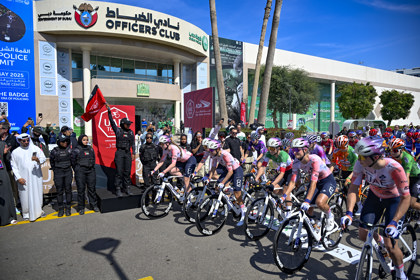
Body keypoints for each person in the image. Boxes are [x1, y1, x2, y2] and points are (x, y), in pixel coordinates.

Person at [341, 136, 410, 280]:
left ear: (376, 156)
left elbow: (406, 197)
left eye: (362, 156)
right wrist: (348, 213)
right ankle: (382, 246)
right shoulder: (361, 164)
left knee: (391, 245)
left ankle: (400, 273)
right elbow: (353, 188)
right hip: (374, 196)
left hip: (394, 200)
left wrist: (394, 221)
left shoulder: (394, 168)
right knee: (363, 233)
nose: (359, 160)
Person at [281, 138, 337, 232]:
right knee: (308, 210)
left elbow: (314, 182)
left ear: (305, 150)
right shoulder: (296, 163)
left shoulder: (314, 159)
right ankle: (314, 228)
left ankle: (330, 215)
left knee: (319, 202)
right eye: (293, 150)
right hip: (315, 181)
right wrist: (284, 196)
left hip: (327, 180)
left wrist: (307, 201)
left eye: (297, 150)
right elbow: (292, 182)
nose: (294, 152)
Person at [207, 140, 246, 226]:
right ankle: (229, 204)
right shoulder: (214, 155)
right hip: (228, 170)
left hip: (236, 170)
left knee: (237, 193)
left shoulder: (225, 155)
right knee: (217, 187)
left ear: (217, 149)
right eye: (209, 150)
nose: (210, 152)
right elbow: (213, 168)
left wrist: (223, 182)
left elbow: (231, 172)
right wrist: (209, 179)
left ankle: (243, 215)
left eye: (211, 150)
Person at [11, 133, 46, 221]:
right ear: (19, 141)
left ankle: (39, 211)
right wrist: (19, 178)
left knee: (37, 193)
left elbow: (43, 158)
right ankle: (26, 213)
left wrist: (38, 160)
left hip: (36, 177)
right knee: (24, 196)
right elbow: (14, 167)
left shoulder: (35, 148)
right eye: (24, 141)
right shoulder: (15, 152)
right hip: (24, 178)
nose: (26, 142)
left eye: (28, 140)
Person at [106, 103, 136, 197]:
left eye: (129, 124)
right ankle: (118, 189)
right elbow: (112, 122)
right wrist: (109, 111)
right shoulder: (118, 131)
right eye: (127, 124)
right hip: (119, 153)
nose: (129, 125)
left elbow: (133, 143)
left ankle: (127, 187)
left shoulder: (131, 132)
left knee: (127, 171)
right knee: (119, 172)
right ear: (123, 124)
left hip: (128, 153)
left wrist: (134, 152)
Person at [388, 138, 420, 215]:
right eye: (391, 150)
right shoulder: (392, 157)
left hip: (416, 178)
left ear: (401, 150)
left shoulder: (407, 158)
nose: (392, 152)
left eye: (395, 150)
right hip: (406, 177)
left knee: (412, 203)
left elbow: (406, 177)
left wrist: (404, 191)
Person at [71, 135, 99, 215]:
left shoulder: (90, 149)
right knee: (81, 190)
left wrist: (91, 167)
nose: (86, 141)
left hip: (90, 171)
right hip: (80, 171)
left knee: (92, 189)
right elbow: (73, 162)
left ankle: (93, 205)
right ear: (80, 140)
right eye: (84, 140)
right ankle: (81, 208)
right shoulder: (76, 150)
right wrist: (77, 169)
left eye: (87, 140)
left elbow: (93, 159)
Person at [50, 135, 73, 217]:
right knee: (59, 191)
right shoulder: (54, 151)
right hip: (58, 172)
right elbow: (52, 162)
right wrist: (56, 170)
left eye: (66, 141)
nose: (65, 143)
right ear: (59, 142)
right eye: (63, 141)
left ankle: (68, 209)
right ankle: (60, 209)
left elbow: (72, 161)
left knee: (68, 190)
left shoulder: (69, 150)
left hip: (67, 171)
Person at [0, 140, 17, 226]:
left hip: (2, 172)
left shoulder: (2, 144)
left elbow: (7, 160)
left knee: (5, 195)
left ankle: (7, 217)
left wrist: (6, 153)